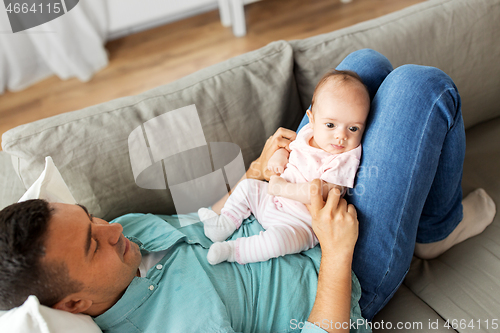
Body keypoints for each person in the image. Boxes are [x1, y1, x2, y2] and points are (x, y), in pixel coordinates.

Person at [0, 49, 496, 332]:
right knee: (422, 88)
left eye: (90, 218)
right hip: (340, 271)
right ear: (73, 307)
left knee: (360, 70)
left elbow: (206, 223)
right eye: (92, 243)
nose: (110, 227)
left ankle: (426, 220)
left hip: (287, 202)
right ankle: (435, 229)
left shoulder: (125, 233)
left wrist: (256, 173)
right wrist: (340, 252)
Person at [198, 69, 369, 265]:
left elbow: (322, 192)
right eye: (330, 125)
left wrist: (282, 188)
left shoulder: (345, 158)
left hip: (299, 224)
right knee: (247, 187)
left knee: (276, 242)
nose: (341, 136)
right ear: (311, 119)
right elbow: (290, 149)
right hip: (271, 199)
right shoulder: (307, 133)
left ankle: (232, 251)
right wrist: (279, 157)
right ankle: (223, 224)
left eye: (353, 128)